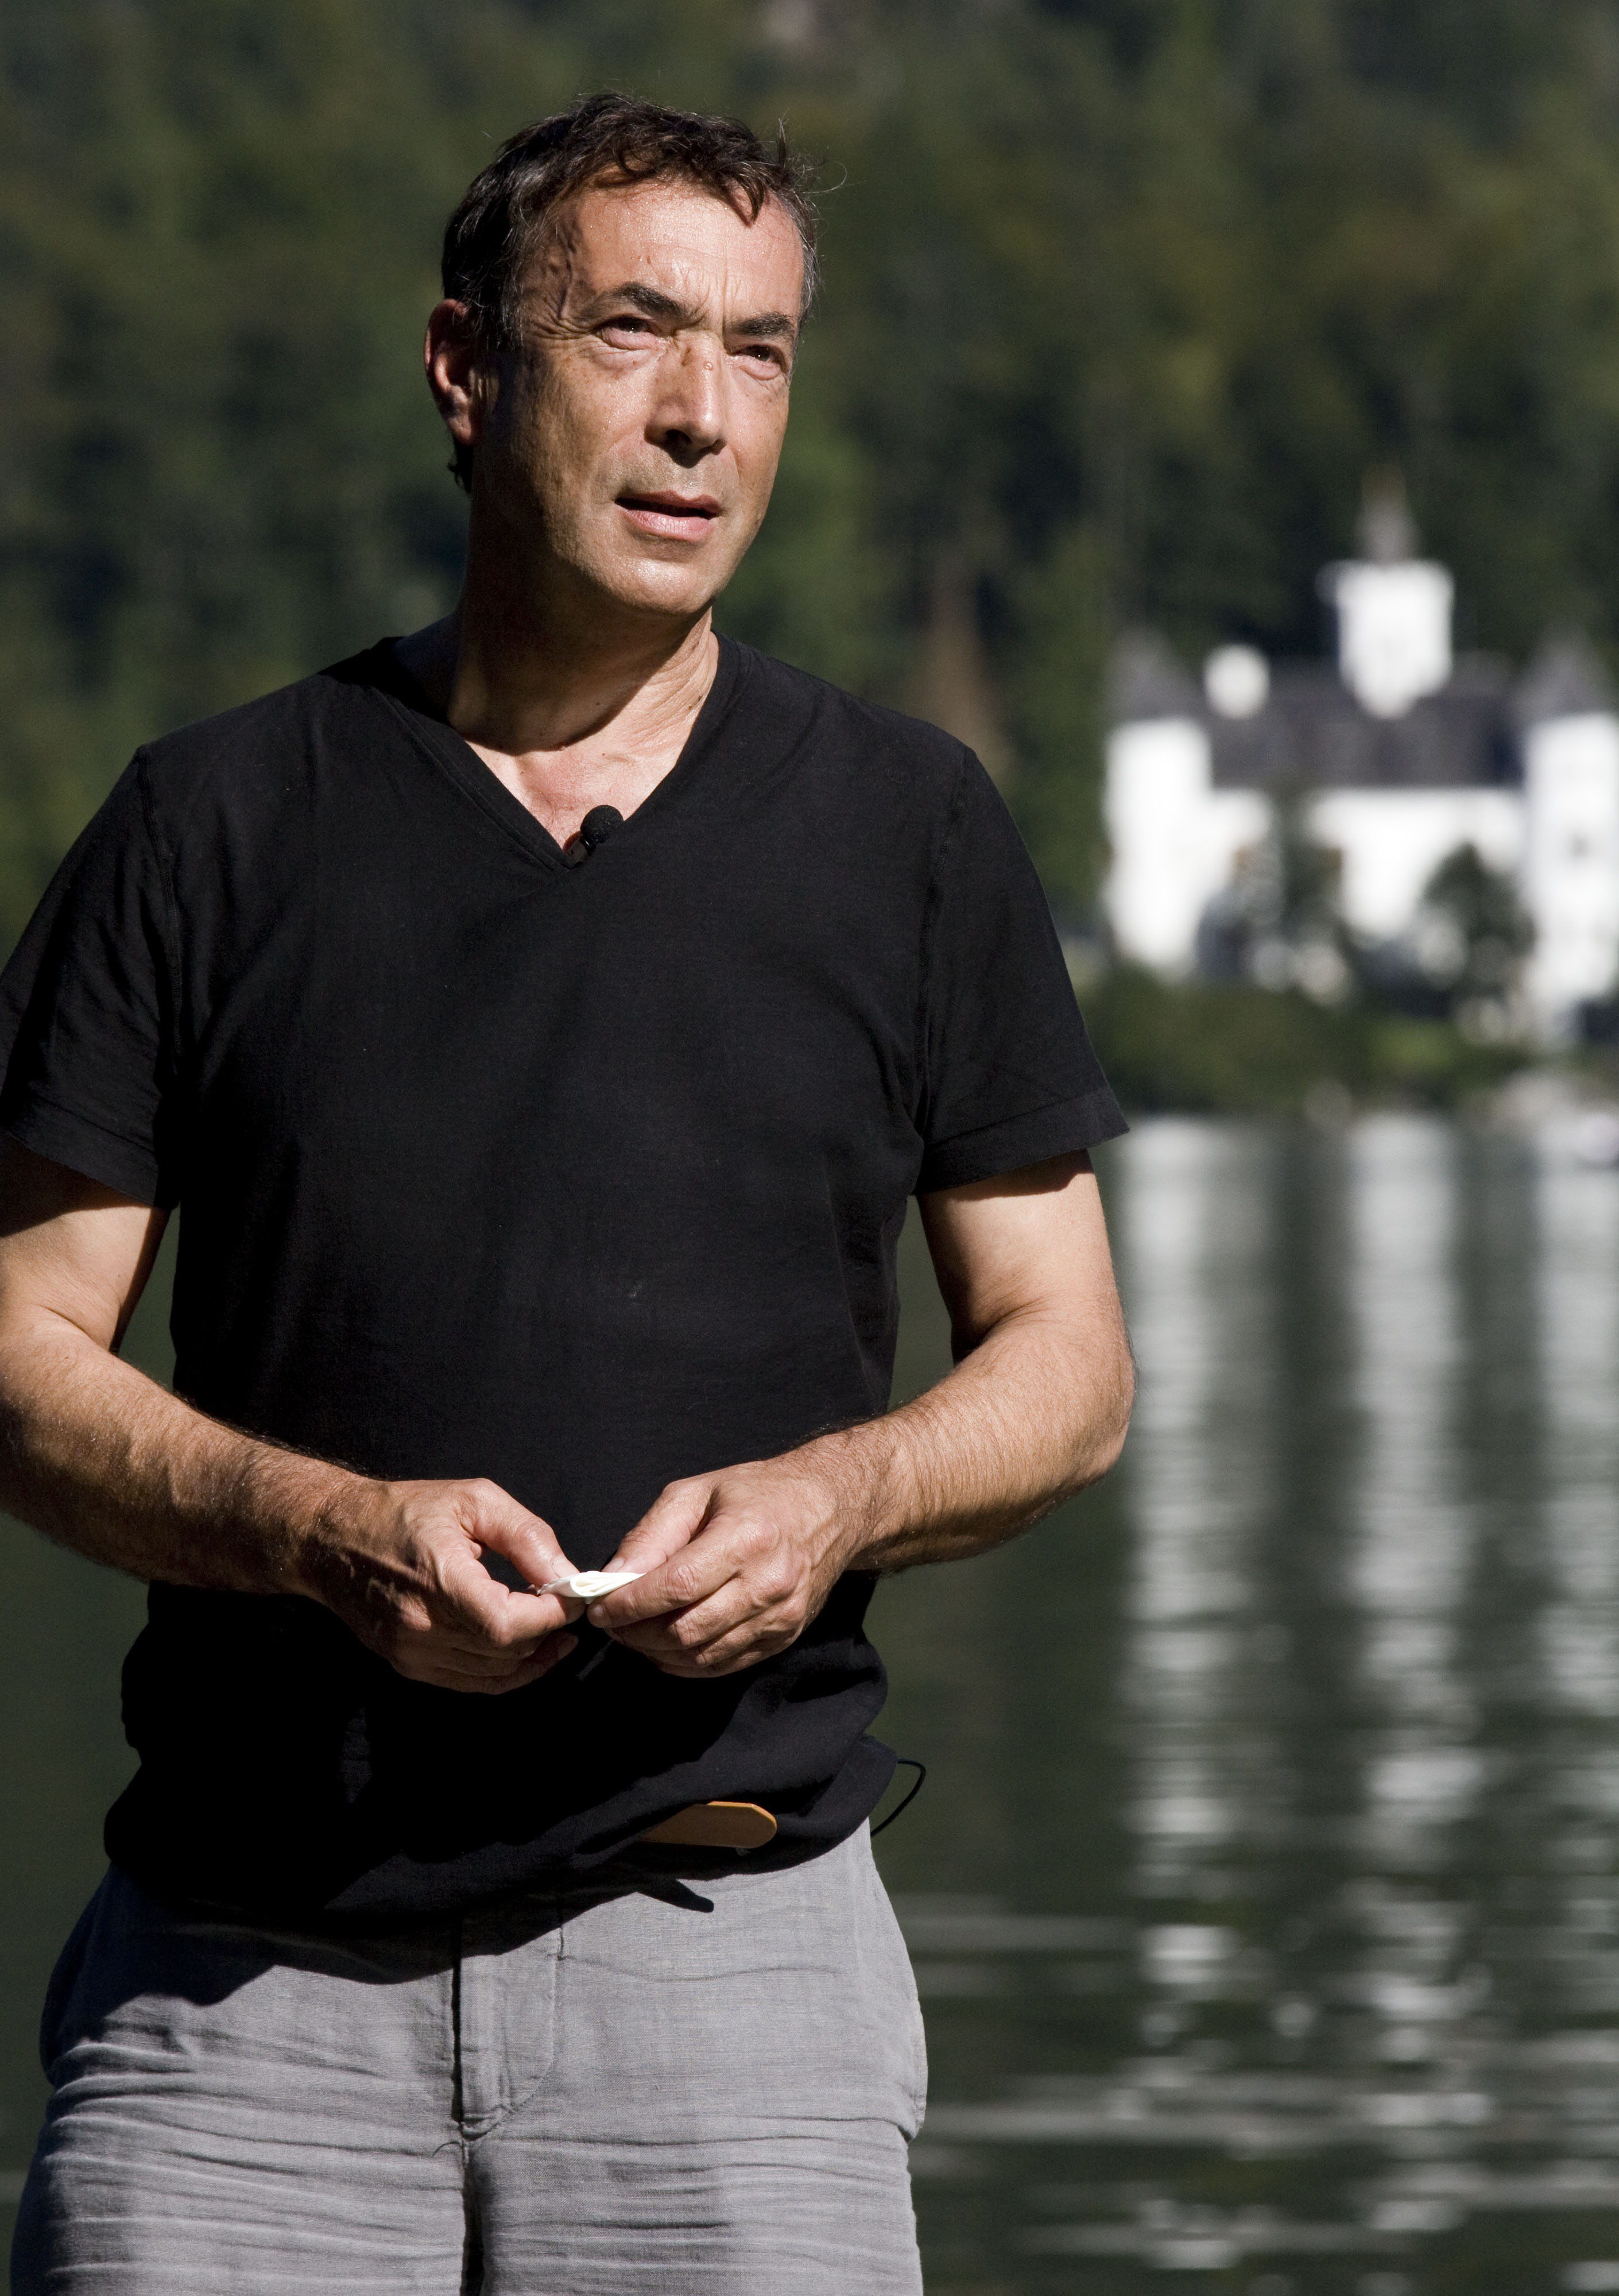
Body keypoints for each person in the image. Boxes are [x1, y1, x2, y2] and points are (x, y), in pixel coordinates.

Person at [0, 94, 1133, 2295]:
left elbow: (1068, 1366)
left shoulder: (910, 830)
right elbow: (18, 1353)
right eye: (631, 330)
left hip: (737, 1965)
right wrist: (318, 1531)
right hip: (238, 1990)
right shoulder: (206, 825)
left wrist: (838, 1498)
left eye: (758, 351)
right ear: (465, 367)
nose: (703, 415)